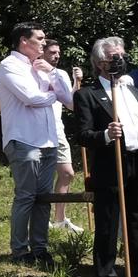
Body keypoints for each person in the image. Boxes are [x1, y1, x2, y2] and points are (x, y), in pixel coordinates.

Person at [75, 39, 138, 277]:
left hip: (136, 163)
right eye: (115, 56)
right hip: (110, 164)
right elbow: (82, 135)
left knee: (136, 223)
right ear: (101, 63)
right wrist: (105, 134)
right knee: (108, 224)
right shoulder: (87, 95)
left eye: (122, 55)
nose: (121, 60)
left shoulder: (132, 92)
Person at [0, 23, 74, 265]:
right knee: (26, 196)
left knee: (43, 198)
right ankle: (20, 251)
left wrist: (52, 74)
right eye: (39, 39)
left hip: (49, 141)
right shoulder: (9, 66)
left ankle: (40, 248)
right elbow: (32, 98)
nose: (44, 42)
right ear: (24, 41)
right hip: (24, 140)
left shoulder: (42, 68)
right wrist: (54, 95)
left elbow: (70, 100)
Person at [45, 41, 82, 234]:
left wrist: (76, 83)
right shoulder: (33, 72)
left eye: (58, 52)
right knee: (39, 177)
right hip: (39, 129)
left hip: (57, 129)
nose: (57, 55)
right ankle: (40, 219)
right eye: (52, 52)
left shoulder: (61, 74)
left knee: (67, 173)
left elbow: (71, 103)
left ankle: (59, 219)